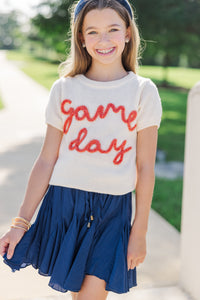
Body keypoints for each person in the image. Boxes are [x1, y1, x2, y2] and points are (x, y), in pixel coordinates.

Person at [0, 0, 162, 299]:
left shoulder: (143, 91)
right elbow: (47, 159)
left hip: (113, 210)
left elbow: (144, 167)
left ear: (127, 32)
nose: (103, 40)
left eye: (113, 29)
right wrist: (20, 222)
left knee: (91, 295)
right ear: (81, 39)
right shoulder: (65, 89)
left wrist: (139, 231)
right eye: (93, 32)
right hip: (65, 205)